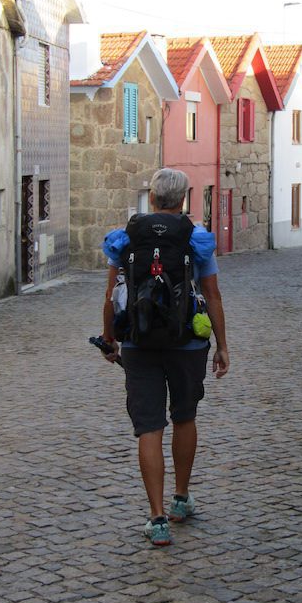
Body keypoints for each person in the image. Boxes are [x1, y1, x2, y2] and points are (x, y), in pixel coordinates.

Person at [101, 168, 230, 546]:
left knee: (149, 427)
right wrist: (222, 345)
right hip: (187, 342)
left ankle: (156, 519)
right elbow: (214, 295)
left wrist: (110, 340)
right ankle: (180, 500)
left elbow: (112, 296)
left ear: (153, 199)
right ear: (184, 200)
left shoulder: (125, 240)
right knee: (184, 417)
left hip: (139, 343)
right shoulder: (197, 240)